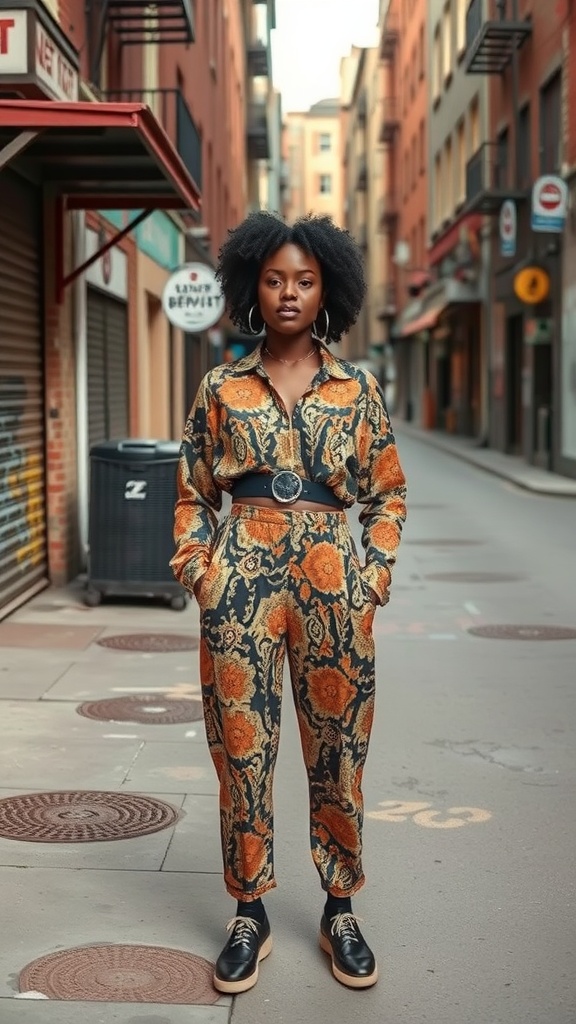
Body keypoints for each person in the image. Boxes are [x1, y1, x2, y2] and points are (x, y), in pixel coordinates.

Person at [171, 210, 407, 994]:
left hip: (332, 573)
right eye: (274, 279)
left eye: (304, 280)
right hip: (242, 570)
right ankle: (250, 910)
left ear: (327, 290)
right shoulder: (221, 387)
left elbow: (388, 493)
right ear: (253, 286)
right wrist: (202, 570)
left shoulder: (358, 388)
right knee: (241, 746)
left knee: (338, 746)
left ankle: (340, 908)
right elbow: (192, 492)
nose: (289, 293)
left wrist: (372, 577)